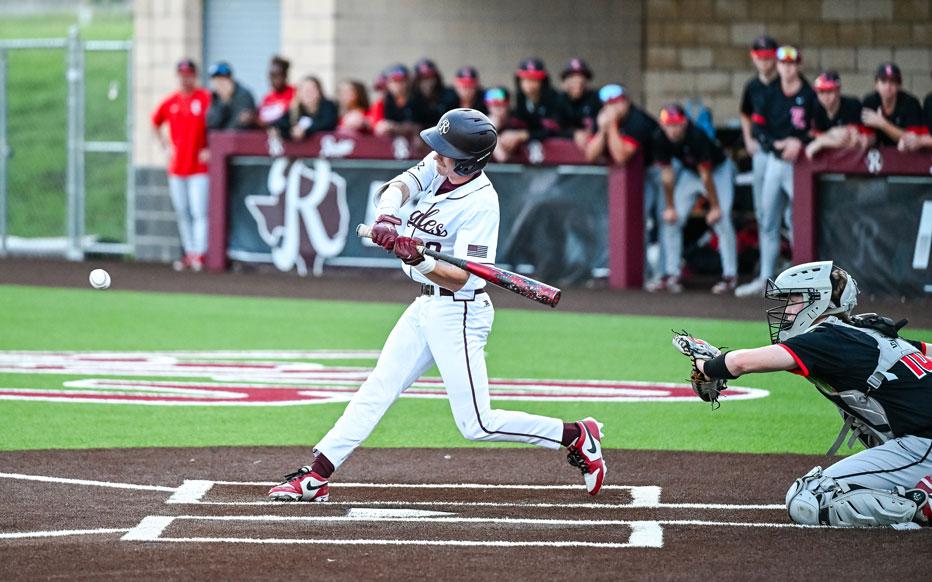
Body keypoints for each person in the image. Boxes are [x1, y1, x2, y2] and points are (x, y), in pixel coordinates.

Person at [268, 109, 607, 502]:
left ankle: (576, 435)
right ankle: (318, 475)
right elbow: (397, 187)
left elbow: (466, 277)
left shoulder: (482, 204)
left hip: (460, 312)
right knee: (378, 388)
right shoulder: (437, 166)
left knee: (476, 424)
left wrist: (420, 260)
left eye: (445, 150)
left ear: (465, 160)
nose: (435, 153)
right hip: (424, 307)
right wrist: (387, 218)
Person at [675, 261, 932, 529]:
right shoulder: (865, 331)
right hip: (919, 441)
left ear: (819, 300)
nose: (785, 309)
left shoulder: (827, 337)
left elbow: (742, 363)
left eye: (794, 299)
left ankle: (923, 504)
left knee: (809, 499)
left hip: (923, 443)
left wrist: (707, 365)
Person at [735, 46, 817, 299]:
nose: (788, 68)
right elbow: (759, 128)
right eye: (783, 63)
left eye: (792, 64)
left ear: (798, 66)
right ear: (778, 66)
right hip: (774, 161)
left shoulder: (808, 93)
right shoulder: (770, 93)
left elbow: (816, 126)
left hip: (800, 163)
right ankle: (765, 280)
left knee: (798, 220)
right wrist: (776, 144)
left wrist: (799, 142)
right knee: (767, 219)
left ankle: (803, 282)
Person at [650, 104, 737, 295]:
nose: (672, 130)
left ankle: (730, 276)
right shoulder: (659, 137)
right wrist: (670, 206)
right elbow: (666, 174)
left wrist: (714, 207)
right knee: (672, 219)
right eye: (668, 125)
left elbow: (706, 175)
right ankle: (672, 274)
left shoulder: (696, 135)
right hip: (691, 174)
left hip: (718, 171)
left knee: (722, 219)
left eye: (676, 125)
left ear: (684, 123)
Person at [584, 84, 663, 282]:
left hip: (660, 171)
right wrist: (603, 130)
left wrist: (610, 127)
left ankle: (659, 274)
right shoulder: (603, 119)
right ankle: (637, 272)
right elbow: (590, 155)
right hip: (636, 178)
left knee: (658, 221)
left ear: (626, 101)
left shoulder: (638, 120)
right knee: (627, 220)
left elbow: (620, 157)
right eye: (608, 104)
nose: (612, 108)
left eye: (616, 102)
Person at [151, 59, 211, 272]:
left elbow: (216, 124)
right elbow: (155, 122)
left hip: (199, 167)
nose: (185, 79)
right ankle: (189, 251)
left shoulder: (205, 98)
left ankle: (200, 253)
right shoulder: (171, 102)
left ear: (195, 76)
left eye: (189, 75)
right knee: (182, 211)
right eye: (182, 75)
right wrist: (165, 146)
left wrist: (211, 147)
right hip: (177, 167)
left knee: (199, 211)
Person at [738, 35, 779, 283]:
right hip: (762, 153)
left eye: (768, 57)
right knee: (763, 214)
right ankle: (766, 275)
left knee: (787, 217)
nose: (764, 61)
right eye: (760, 57)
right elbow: (745, 113)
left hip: (783, 155)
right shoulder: (752, 86)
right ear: (754, 58)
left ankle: (798, 275)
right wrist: (747, 139)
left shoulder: (785, 84)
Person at [498, 58, 570, 154]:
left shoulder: (554, 99)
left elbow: (553, 130)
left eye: (534, 79)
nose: (529, 84)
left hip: (558, 153)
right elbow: (518, 124)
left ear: (542, 82)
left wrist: (522, 135)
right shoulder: (520, 98)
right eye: (525, 79)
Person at [805, 71, 872, 159]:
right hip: (827, 162)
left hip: (854, 161)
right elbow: (811, 136)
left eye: (829, 91)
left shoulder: (852, 105)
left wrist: (822, 142)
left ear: (838, 91)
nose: (825, 97)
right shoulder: (815, 106)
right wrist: (832, 133)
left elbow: (854, 142)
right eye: (821, 92)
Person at [861, 63, 925, 148]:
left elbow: (913, 140)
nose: (888, 86)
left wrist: (882, 124)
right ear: (876, 85)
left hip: (905, 155)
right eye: (883, 81)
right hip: (876, 155)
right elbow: (866, 138)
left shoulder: (910, 103)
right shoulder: (869, 101)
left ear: (899, 85)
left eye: (892, 81)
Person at [274, 75, 338, 141]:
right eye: (305, 90)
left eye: (312, 89)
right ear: (298, 93)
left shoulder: (328, 106)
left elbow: (328, 124)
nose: (308, 93)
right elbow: (280, 124)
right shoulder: (295, 109)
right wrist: (292, 131)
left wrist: (305, 130)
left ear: (319, 91)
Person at [373, 63, 428, 138]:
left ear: (408, 81)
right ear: (388, 83)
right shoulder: (385, 101)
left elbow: (421, 126)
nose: (398, 85)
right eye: (395, 80)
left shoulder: (418, 99)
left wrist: (395, 127)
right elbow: (377, 126)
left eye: (402, 80)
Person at [560, 58, 601, 150]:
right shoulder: (558, 100)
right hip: (562, 154)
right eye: (572, 77)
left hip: (593, 152)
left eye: (581, 77)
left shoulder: (595, 98)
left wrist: (592, 132)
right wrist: (574, 133)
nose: (577, 81)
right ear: (564, 82)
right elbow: (553, 127)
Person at [205, 62, 257, 130]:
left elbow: (240, 125)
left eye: (222, 80)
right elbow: (212, 123)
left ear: (230, 79)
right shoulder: (215, 97)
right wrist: (224, 102)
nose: (219, 84)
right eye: (216, 80)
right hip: (219, 139)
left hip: (241, 139)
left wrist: (228, 100)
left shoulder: (244, 95)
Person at [483, 87, 525, 162]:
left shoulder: (516, 122)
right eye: (493, 106)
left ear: (507, 105)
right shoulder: (482, 124)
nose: (497, 109)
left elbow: (502, 157)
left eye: (500, 105)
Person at [412, 58, 458, 125]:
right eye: (423, 78)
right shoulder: (412, 98)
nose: (427, 82)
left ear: (437, 78)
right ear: (416, 81)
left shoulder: (449, 96)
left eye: (430, 77)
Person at [257, 55, 294, 128]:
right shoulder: (267, 98)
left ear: (285, 75)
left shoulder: (295, 94)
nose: (273, 80)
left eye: (277, 75)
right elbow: (261, 120)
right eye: (271, 76)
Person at [899, 71, 932, 152]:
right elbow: (925, 133)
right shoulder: (929, 100)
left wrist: (922, 141)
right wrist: (908, 141)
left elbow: (923, 140)